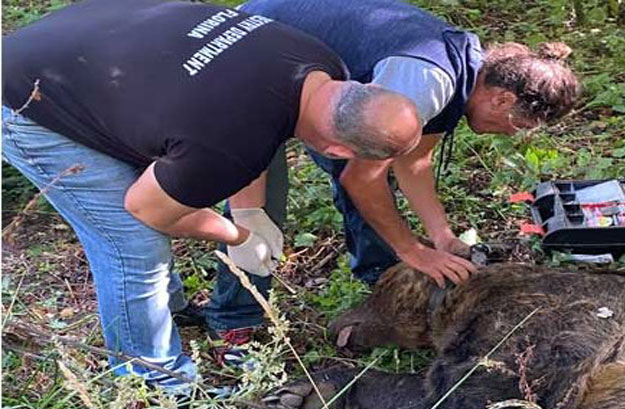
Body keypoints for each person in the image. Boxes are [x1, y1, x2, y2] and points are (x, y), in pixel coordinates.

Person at [2, 0, 422, 393]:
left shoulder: (321, 64)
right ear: (336, 151)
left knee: (159, 175)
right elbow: (148, 209)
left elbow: (264, 122)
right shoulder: (227, 143)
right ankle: (158, 389)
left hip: (88, 35)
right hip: (26, 93)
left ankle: (167, 313)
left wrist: (249, 210)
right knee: (132, 243)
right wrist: (239, 237)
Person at [199, 0, 580, 353]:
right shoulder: (428, 81)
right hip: (244, 55)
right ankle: (235, 326)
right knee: (257, 207)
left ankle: (381, 280)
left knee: (364, 165)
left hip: (295, 62)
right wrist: (412, 250)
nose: (513, 133)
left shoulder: (465, 68)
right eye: (521, 124)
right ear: (503, 99)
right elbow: (361, 179)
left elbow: (414, 160)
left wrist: (441, 237)